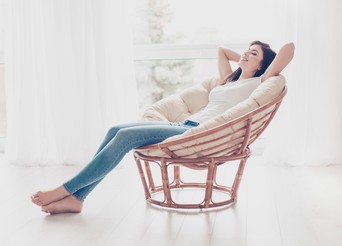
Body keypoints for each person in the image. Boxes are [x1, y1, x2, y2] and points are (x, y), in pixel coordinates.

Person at [31, 40, 295, 214]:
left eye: (254, 53)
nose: (246, 54)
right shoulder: (228, 81)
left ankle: (64, 190)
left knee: (124, 136)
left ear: (264, 64)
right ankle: (77, 199)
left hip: (198, 133)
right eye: (247, 50)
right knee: (115, 129)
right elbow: (222, 50)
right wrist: (245, 59)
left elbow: (289, 48)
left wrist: (263, 65)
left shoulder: (259, 83)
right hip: (183, 124)